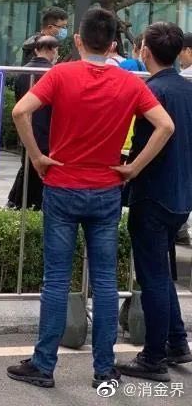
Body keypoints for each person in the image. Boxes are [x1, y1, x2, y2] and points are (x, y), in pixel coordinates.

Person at [7, 8, 174, 390]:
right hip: (106, 190)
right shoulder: (130, 83)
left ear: (78, 40)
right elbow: (165, 125)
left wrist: (37, 156)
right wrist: (133, 167)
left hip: (62, 186)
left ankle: (43, 365)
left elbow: (20, 111)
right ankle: (104, 368)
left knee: (56, 280)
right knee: (104, 281)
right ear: (113, 45)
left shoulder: (60, 74)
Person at [116, 23, 192, 382]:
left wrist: (131, 168)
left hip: (153, 193)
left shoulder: (152, 92)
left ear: (144, 51)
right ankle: (176, 343)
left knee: (154, 278)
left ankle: (153, 357)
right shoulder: (187, 89)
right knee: (162, 273)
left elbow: (148, 138)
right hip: (181, 196)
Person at [7, 35, 59, 210]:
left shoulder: (23, 72)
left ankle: (19, 203)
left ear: (36, 50)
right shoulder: (54, 73)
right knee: (44, 171)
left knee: (27, 167)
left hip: (26, 128)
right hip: (48, 130)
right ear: (53, 50)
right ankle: (34, 204)